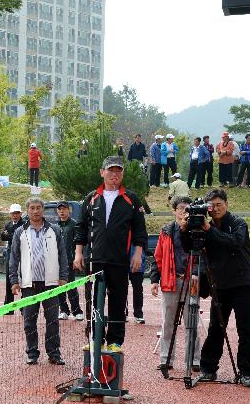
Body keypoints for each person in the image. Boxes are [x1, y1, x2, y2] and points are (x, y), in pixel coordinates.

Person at [180, 188, 250, 387]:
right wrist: (184, 230)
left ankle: (246, 372)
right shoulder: (205, 225)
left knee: (245, 328)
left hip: (242, 284)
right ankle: (208, 369)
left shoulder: (238, 224)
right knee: (215, 328)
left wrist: (208, 229)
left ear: (226, 204)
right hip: (220, 285)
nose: (215, 209)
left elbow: (234, 242)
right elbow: (189, 247)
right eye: (211, 206)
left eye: (219, 205)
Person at [73, 156, 148, 351]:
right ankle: (94, 338)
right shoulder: (91, 198)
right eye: (110, 170)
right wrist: (78, 253)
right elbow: (81, 227)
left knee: (118, 299)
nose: (114, 174)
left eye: (118, 171)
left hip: (120, 259)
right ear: (102, 172)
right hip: (95, 259)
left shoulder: (131, 199)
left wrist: (138, 254)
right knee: (93, 300)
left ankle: (115, 341)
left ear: (122, 174)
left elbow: (140, 231)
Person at [8, 197, 68, 365]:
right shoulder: (20, 232)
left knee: (53, 321)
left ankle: (54, 353)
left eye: (38, 208)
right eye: (32, 208)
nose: (35, 211)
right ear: (28, 211)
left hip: (51, 285)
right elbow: (13, 258)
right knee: (29, 322)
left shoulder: (54, 230)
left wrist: (63, 277)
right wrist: (14, 281)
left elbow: (62, 255)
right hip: (29, 285)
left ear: (43, 210)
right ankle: (32, 352)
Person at [150, 196, 202, 372]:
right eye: (180, 208)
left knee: (192, 322)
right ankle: (166, 359)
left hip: (192, 280)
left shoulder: (197, 229)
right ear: (174, 211)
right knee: (168, 323)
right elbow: (158, 257)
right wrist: (154, 280)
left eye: (187, 208)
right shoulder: (166, 231)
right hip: (170, 281)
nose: (183, 211)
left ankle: (194, 359)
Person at [56, 202, 83, 320]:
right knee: (59, 286)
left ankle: (77, 311)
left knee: (71, 285)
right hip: (56, 262)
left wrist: (76, 257)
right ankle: (63, 310)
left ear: (69, 210)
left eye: (64, 209)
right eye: (60, 209)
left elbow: (78, 242)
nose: (62, 211)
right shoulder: (55, 226)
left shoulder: (74, 225)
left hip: (69, 261)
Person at [1, 203, 25, 312]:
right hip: (11, 255)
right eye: (13, 213)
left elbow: (20, 238)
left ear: (20, 213)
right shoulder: (8, 224)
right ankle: (9, 306)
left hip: (23, 255)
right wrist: (13, 235)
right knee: (9, 279)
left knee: (24, 280)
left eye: (17, 213)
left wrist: (10, 235)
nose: (15, 215)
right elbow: (3, 236)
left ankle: (23, 306)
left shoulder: (25, 224)